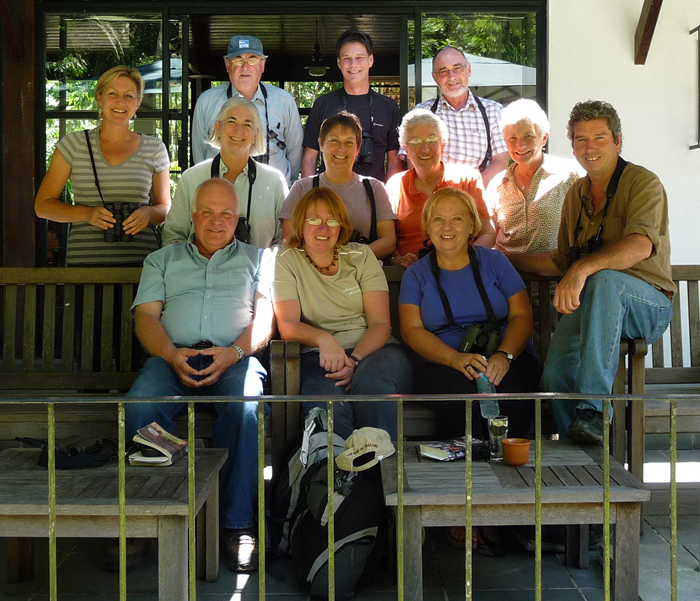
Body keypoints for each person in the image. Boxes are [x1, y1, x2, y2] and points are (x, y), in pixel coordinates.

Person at [125, 178, 275, 573]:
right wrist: (171, 354)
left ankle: (238, 526)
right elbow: (146, 318)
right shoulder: (162, 260)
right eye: (207, 212)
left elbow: (264, 321)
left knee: (246, 409)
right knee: (140, 405)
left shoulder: (260, 259)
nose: (216, 221)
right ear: (193, 215)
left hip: (235, 360)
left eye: (225, 213)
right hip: (172, 359)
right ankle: (143, 517)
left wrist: (235, 353)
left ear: (237, 216)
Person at [505, 101, 675, 444]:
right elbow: (560, 261)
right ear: (572, 147)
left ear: (618, 141)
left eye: (599, 137)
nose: (589, 147)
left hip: (647, 306)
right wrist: (504, 258)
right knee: (555, 377)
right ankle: (585, 455)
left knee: (605, 280)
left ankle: (594, 410)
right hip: (592, 305)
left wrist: (584, 268)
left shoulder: (643, 183)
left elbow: (641, 245)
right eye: (581, 140)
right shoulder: (576, 194)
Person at [398, 187, 539, 442]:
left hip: (506, 355)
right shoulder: (416, 274)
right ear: (427, 227)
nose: (447, 227)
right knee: (459, 400)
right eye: (438, 219)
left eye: (457, 219)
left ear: (472, 225)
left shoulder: (495, 262)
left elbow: (521, 314)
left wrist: (503, 356)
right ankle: (462, 474)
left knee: (514, 394)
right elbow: (412, 331)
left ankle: (512, 472)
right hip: (443, 362)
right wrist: (454, 359)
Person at [272, 187, 413, 440]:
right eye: (313, 220)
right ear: (300, 224)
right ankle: (338, 475)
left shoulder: (361, 255)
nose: (322, 228)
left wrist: (355, 361)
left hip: (375, 351)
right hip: (319, 356)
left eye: (331, 220)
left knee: (372, 385)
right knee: (327, 401)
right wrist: (325, 340)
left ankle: (384, 473)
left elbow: (380, 324)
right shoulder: (287, 259)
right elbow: (288, 325)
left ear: (341, 226)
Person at [35, 65, 171, 266]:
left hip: (143, 268)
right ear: (99, 98)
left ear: (138, 103)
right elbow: (42, 206)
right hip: (85, 266)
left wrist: (148, 214)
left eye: (129, 96)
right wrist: (87, 214)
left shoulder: (154, 148)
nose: (120, 102)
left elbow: (165, 208)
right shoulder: (73, 145)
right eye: (112, 94)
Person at [162, 96, 288, 248]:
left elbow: (286, 240)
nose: (239, 130)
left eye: (247, 124)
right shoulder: (192, 178)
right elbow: (173, 236)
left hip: (258, 271)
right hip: (200, 270)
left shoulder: (274, 182)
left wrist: (264, 267)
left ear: (256, 134)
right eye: (231, 122)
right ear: (218, 127)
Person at [386, 108, 494, 268]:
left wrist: (464, 258)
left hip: (463, 270)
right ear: (406, 149)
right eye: (415, 142)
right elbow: (387, 241)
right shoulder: (395, 186)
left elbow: (488, 233)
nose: (424, 148)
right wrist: (396, 259)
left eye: (431, 140)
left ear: (442, 146)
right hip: (411, 274)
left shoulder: (467, 178)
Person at [281, 111, 396, 260]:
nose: (341, 149)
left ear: (358, 148)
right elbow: (289, 240)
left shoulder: (374, 189)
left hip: (361, 272)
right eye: (334, 141)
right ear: (321, 144)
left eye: (349, 142)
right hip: (312, 274)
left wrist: (349, 258)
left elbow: (388, 241)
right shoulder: (302, 188)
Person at [191, 35, 303, 185]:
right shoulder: (206, 102)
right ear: (227, 64)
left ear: (262, 65)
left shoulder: (284, 101)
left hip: (273, 199)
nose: (245, 67)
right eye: (238, 60)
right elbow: (200, 157)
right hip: (221, 200)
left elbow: (294, 157)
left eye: (252, 59)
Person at [301, 30, 401, 183]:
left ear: (371, 60)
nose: (353, 64)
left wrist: (389, 198)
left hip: (373, 195)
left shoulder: (388, 106)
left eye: (359, 58)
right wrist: (308, 195)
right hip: (329, 195)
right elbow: (310, 159)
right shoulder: (323, 104)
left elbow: (394, 161)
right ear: (339, 62)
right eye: (347, 58)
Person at [487, 98, 584, 253]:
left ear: (543, 138)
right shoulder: (497, 185)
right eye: (512, 139)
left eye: (528, 136)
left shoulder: (570, 176)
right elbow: (488, 233)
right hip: (507, 273)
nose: (520, 145)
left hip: (552, 273)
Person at [411, 46, 509, 187]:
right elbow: (413, 162)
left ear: (468, 70)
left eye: (457, 68)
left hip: (479, 197)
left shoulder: (493, 111)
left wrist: (473, 192)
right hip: (435, 198)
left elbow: (501, 161)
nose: (452, 77)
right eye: (443, 71)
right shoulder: (421, 114)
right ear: (435, 78)